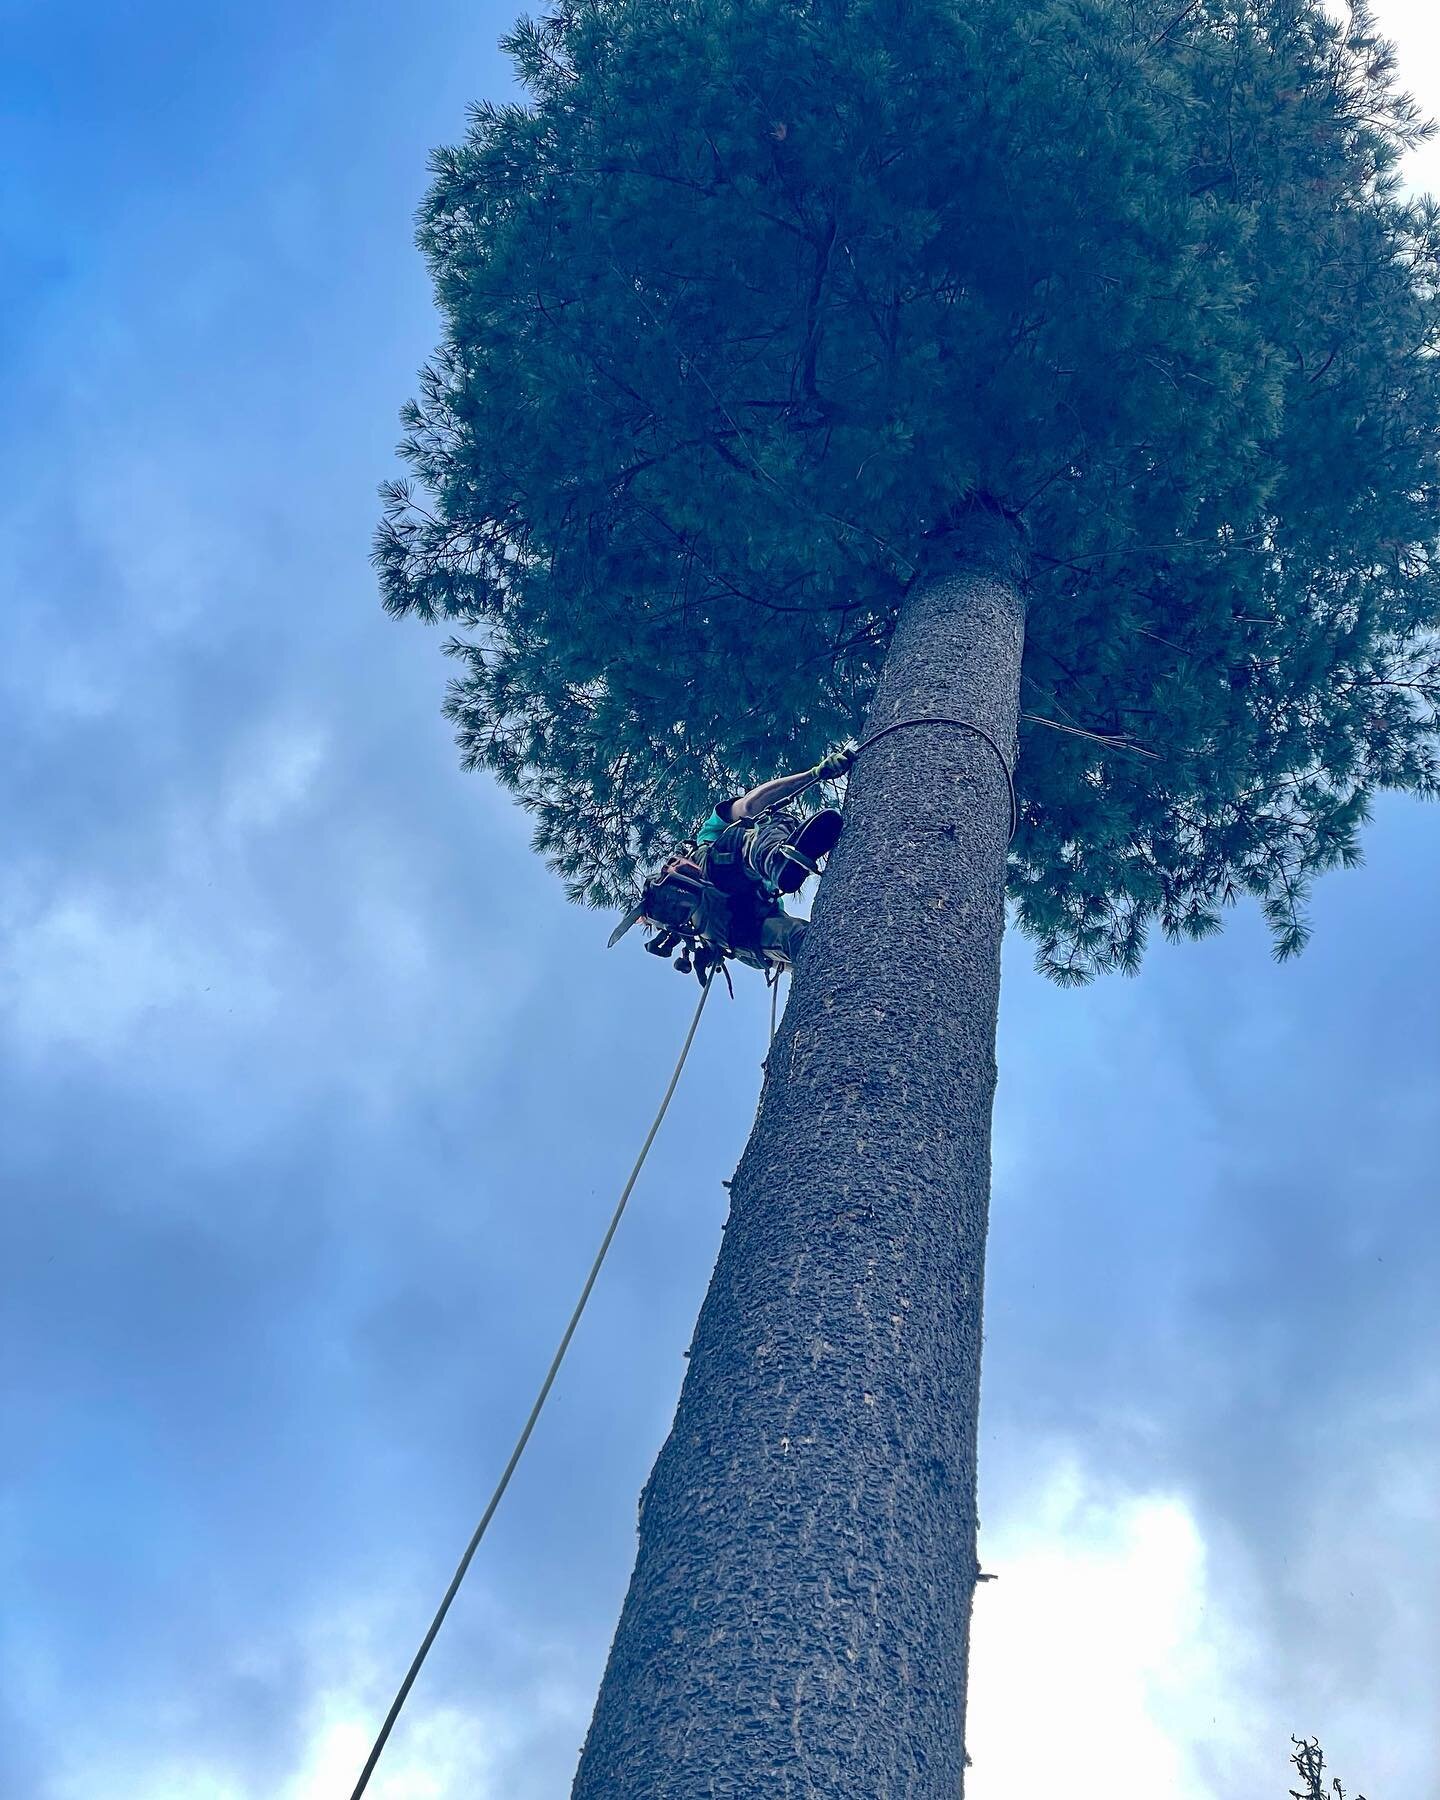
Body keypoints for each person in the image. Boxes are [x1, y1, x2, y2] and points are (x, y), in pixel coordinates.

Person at [691, 751, 853, 965]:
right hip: (717, 881)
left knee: (808, 943)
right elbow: (749, 806)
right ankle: (776, 858)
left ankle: (836, 965)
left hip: (734, 931)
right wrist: (813, 774)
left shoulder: (766, 889)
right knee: (772, 821)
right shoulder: (714, 831)